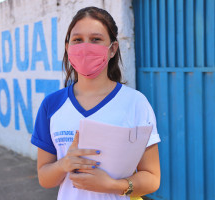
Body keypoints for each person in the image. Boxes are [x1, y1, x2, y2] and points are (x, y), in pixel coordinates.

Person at [31, 6, 161, 200]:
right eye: (77, 40)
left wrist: (114, 186)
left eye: (96, 39)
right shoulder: (52, 104)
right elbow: (44, 178)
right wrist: (64, 164)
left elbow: (152, 179)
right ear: (68, 47)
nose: (85, 47)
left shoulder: (135, 103)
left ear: (113, 49)